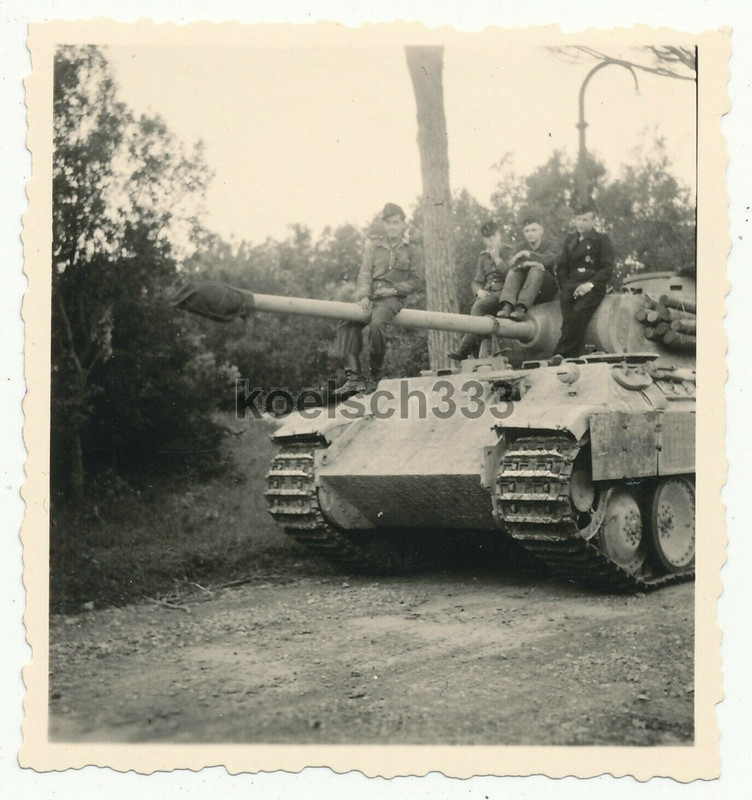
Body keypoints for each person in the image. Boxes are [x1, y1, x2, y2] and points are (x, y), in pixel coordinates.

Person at [334, 203, 423, 396]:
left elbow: (416, 281)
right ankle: (354, 379)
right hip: (372, 297)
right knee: (346, 322)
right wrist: (364, 296)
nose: (392, 227)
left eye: (396, 222)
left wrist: (394, 290)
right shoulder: (373, 246)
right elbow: (365, 273)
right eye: (389, 223)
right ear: (384, 224)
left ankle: (375, 375)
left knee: (377, 325)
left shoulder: (412, 249)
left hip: (393, 299)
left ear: (402, 224)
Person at [552, 204, 614, 359]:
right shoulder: (570, 240)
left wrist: (589, 285)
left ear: (593, 221)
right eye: (578, 219)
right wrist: (565, 286)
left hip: (592, 286)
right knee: (567, 322)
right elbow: (561, 267)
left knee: (577, 315)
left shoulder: (601, 239)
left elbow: (607, 268)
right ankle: (570, 359)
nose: (580, 223)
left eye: (585, 220)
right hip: (570, 286)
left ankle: (559, 354)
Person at [447, 221, 515, 362]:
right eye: (486, 238)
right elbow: (477, 281)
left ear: (499, 236)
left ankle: (465, 349)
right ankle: (470, 351)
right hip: (489, 295)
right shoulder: (483, 257)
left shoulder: (509, 251)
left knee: (477, 307)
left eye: (493, 237)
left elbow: (513, 275)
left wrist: (497, 259)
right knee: (478, 306)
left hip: (505, 294)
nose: (490, 242)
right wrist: (478, 291)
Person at [496, 216, 558, 321]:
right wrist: (527, 264)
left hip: (545, 289)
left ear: (541, 231)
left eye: (533, 230)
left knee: (536, 269)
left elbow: (548, 259)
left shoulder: (550, 244)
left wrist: (527, 254)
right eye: (527, 231)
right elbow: (510, 266)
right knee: (515, 271)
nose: (530, 233)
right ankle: (507, 306)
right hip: (525, 287)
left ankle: (521, 308)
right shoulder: (519, 247)